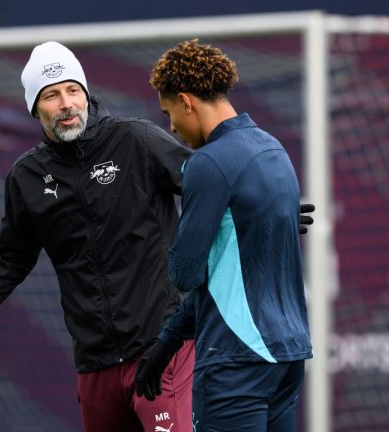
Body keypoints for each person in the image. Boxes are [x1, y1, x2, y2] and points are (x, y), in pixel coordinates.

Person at [0, 41, 313, 432]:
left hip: (163, 353)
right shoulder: (27, 178)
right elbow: (8, 263)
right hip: (94, 368)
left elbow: (218, 184)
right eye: (51, 95)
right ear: (34, 108)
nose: (67, 104)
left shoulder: (136, 140)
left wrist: (269, 212)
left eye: (73, 90)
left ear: (86, 93)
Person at [134, 39, 313, 432]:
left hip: (235, 361)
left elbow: (185, 273)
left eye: (169, 114)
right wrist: (167, 344)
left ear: (186, 101)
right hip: (286, 358)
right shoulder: (273, 149)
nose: (173, 128)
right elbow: (225, 278)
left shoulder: (209, 163)